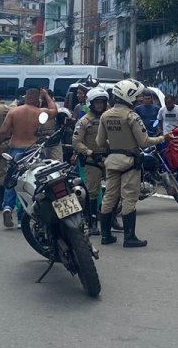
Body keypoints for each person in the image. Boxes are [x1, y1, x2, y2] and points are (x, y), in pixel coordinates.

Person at [95, 79, 170, 248]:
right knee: (129, 198)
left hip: (112, 161)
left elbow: (100, 142)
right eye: (136, 97)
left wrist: (115, 147)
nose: (139, 100)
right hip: (130, 162)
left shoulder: (105, 116)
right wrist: (163, 138)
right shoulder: (131, 116)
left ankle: (105, 236)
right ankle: (129, 238)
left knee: (109, 198)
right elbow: (144, 142)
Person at [0, 86, 58, 228]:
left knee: (12, 180)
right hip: (33, 151)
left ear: (26, 97)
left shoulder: (14, 111)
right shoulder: (40, 113)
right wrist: (47, 96)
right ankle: (23, 215)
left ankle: (8, 207)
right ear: (37, 99)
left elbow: (2, 132)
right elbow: (55, 110)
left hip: (15, 150)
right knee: (28, 182)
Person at [71, 86, 109, 235]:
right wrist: (89, 152)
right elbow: (76, 141)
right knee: (93, 193)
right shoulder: (84, 121)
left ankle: (111, 220)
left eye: (102, 102)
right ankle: (92, 223)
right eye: (97, 102)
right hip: (92, 160)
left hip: (109, 157)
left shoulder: (109, 118)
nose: (100, 105)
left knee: (114, 191)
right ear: (91, 103)